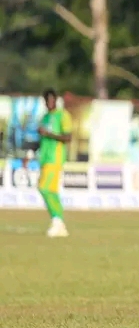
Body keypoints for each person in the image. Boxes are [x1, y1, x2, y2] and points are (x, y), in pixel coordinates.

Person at [24, 89, 72, 237]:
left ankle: (58, 221)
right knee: (51, 191)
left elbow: (68, 137)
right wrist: (30, 154)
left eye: (52, 100)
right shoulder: (44, 118)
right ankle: (59, 223)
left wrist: (48, 133)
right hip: (44, 159)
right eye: (47, 100)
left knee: (44, 188)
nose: (49, 103)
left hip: (55, 158)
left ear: (56, 100)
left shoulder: (62, 115)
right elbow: (40, 140)